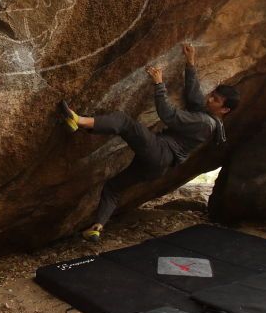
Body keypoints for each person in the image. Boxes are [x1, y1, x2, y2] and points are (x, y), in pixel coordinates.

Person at [59, 44, 240, 243]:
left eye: (216, 99)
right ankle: (97, 227)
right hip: (158, 166)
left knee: (124, 122)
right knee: (114, 188)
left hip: (160, 151)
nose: (210, 98)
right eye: (213, 94)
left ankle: (78, 120)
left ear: (224, 110)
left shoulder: (204, 123)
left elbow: (168, 115)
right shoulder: (210, 118)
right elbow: (194, 97)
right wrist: (190, 63)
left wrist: (159, 83)